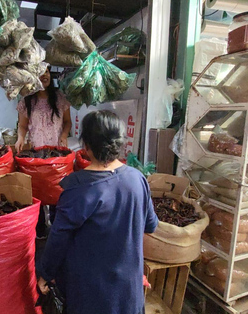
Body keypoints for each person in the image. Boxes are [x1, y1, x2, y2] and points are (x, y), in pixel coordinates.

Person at [37, 110, 158, 314]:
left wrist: (45, 274)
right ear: (120, 143)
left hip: (92, 296)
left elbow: (58, 240)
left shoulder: (78, 189)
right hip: (129, 292)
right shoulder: (138, 179)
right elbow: (151, 225)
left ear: (86, 145)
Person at [15, 67, 72, 152]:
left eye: (46, 72)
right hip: (36, 151)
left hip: (57, 150)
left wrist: (64, 135)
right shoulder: (26, 101)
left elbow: (68, 122)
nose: (44, 75)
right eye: (41, 72)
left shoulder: (60, 98)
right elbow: (22, 125)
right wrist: (21, 138)